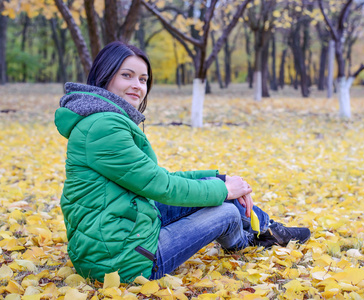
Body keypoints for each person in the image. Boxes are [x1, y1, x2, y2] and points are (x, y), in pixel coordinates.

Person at [54, 41, 310, 283]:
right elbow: (161, 185)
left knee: (217, 187)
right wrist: (224, 191)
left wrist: (220, 180)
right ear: (104, 75)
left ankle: (267, 229)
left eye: (143, 79)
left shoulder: (102, 119)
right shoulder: (103, 127)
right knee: (227, 211)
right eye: (127, 75)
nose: (138, 86)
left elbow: (153, 177)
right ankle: (247, 240)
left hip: (121, 227)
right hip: (122, 263)